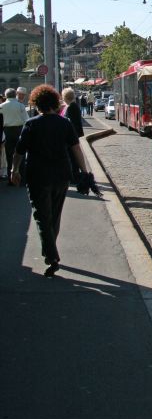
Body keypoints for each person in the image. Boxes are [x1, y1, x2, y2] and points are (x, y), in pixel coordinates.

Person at [10, 85, 89, 277]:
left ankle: (51, 255)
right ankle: (51, 250)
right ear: (55, 103)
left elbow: (19, 150)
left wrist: (14, 170)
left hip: (38, 175)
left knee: (40, 215)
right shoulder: (64, 123)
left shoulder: (32, 124)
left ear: (36, 104)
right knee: (54, 214)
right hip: (61, 175)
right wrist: (85, 172)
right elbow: (76, 149)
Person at [0, 87, 29, 185]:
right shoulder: (20, 106)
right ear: (15, 94)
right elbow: (27, 120)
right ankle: (22, 179)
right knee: (20, 154)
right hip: (19, 131)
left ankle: (10, 180)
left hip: (6, 132)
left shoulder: (1, 106)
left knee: (9, 156)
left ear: (6, 95)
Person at [61, 87, 84, 183]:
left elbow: (73, 123)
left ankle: (75, 176)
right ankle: (73, 175)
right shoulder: (69, 106)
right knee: (71, 156)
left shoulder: (72, 107)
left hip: (71, 136)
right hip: (70, 136)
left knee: (73, 157)